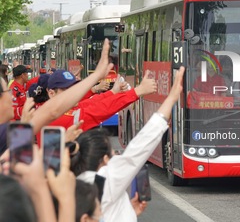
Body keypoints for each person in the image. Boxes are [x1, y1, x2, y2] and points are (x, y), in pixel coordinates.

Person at [71, 66, 185, 222]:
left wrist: (128, 212)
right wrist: (171, 98)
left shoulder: (76, 185)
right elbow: (139, 147)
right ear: (104, 160)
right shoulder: (104, 179)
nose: (116, 155)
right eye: (113, 153)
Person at [40, 68, 156, 145]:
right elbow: (100, 109)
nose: (74, 93)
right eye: (67, 90)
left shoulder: (60, 110)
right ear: (51, 93)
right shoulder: (59, 117)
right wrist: (137, 91)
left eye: (75, 88)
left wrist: (113, 92)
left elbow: (93, 102)